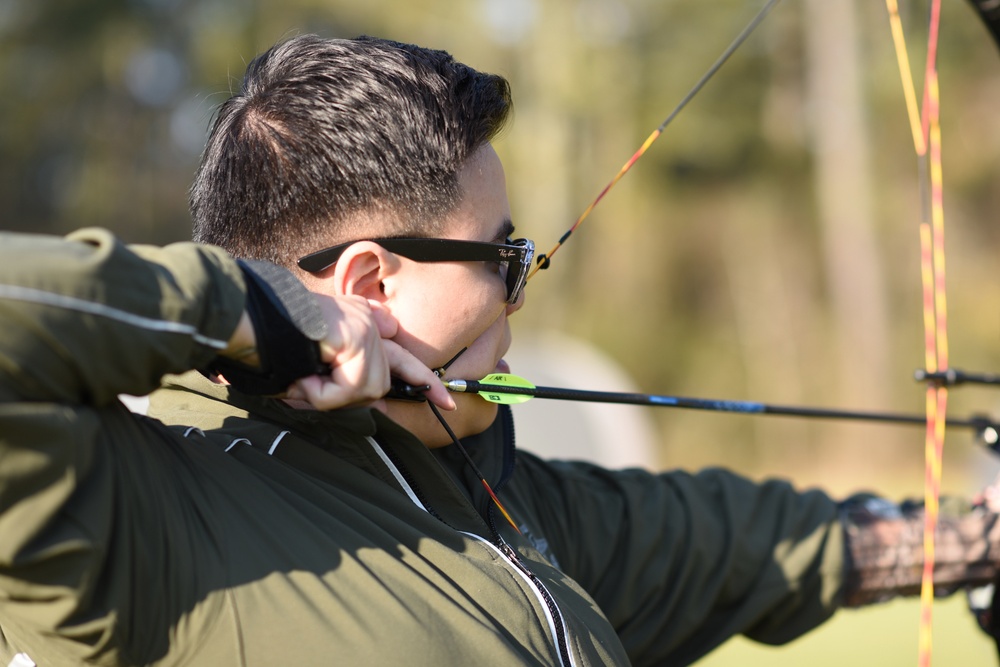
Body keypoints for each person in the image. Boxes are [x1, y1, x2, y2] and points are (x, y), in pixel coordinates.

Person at [1, 34, 999, 667]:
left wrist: (975, 540)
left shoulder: (495, 499)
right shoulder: (143, 517)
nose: (517, 299)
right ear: (367, 286)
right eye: (504, 257)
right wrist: (245, 305)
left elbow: (748, 541)